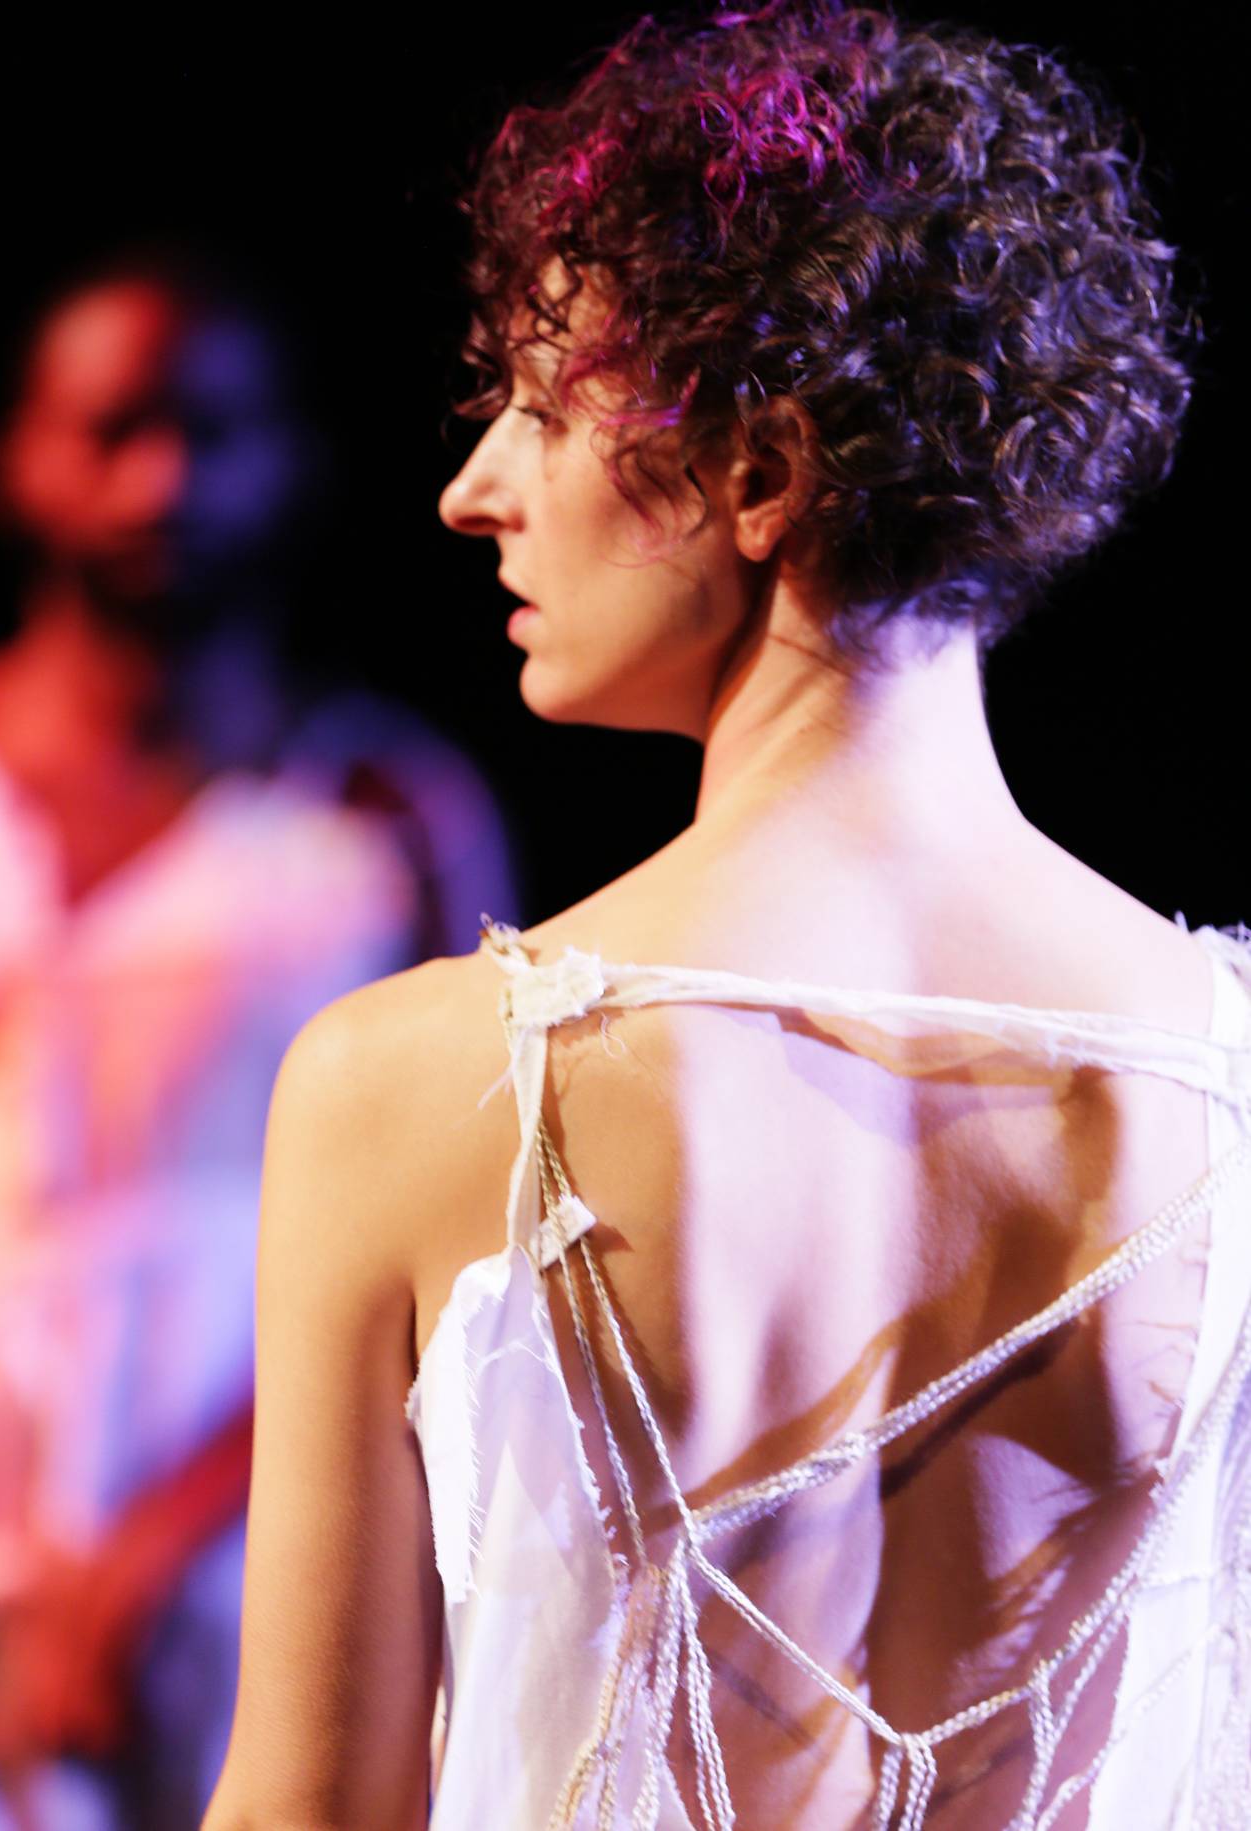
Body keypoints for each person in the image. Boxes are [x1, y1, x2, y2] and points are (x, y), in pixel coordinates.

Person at [201, 5, 1249, 1826]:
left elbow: (308, 1807)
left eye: (539, 406)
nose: (473, 493)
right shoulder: (1227, 1093)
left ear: (757, 475)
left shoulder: (416, 1087)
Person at [0, 259, 512, 1829]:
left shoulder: (380, 818)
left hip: (246, 1495)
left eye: (212, 433)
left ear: (290, 464)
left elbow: (475, 1222)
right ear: (21, 455)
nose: (161, 479)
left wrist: (162, 1541)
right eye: (113, 429)